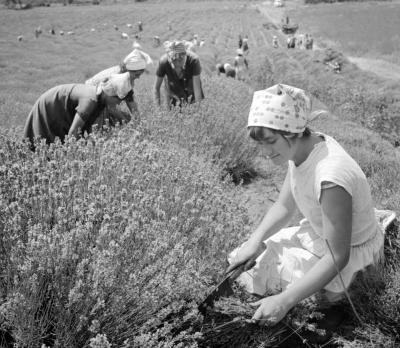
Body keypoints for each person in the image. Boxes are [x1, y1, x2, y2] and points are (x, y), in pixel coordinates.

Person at [227, 84, 385, 328]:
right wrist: (254, 241)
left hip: (350, 257)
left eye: (270, 141)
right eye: (260, 144)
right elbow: (283, 207)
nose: (266, 152)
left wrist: (284, 301)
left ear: (293, 131)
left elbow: (338, 257)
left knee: (266, 280)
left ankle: (337, 307)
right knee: (244, 258)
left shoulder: (331, 175)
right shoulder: (302, 149)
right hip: (320, 236)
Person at [23, 73, 133, 149]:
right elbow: (74, 131)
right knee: (45, 143)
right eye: (118, 99)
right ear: (109, 93)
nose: (119, 103)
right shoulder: (90, 101)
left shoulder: (100, 99)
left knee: (58, 143)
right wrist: (74, 156)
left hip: (58, 105)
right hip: (50, 106)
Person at [85, 46, 153, 119]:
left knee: (125, 118)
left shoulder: (125, 77)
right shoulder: (118, 78)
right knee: (119, 120)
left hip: (98, 102)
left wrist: (138, 119)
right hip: (89, 100)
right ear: (130, 70)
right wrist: (127, 120)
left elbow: (130, 100)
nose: (138, 77)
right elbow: (111, 106)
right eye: (137, 75)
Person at [153, 40, 204, 108]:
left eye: (180, 60)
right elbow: (156, 88)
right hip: (173, 92)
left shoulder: (193, 60)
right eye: (174, 61)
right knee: (173, 110)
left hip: (191, 90)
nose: (177, 63)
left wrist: (198, 110)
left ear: (185, 56)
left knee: (192, 106)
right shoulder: (164, 62)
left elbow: (197, 89)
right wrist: (158, 109)